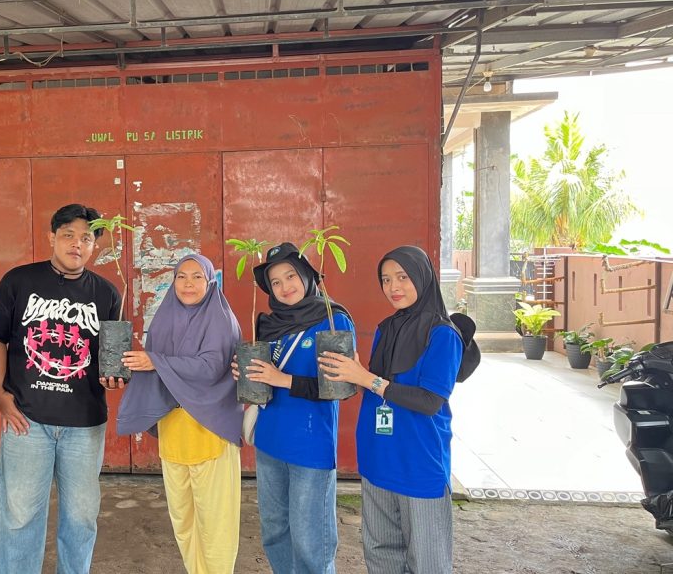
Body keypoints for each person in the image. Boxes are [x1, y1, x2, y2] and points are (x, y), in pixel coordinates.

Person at [0, 203, 122, 574]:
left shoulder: (107, 293)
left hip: (85, 424)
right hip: (27, 421)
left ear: (94, 246)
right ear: (52, 238)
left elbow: (110, 356)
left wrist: (115, 376)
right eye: (68, 235)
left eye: (86, 238)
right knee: (20, 515)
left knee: (81, 517)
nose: (77, 243)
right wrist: (0, 396)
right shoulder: (19, 281)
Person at [319, 245, 475, 573]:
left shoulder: (443, 334)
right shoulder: (385, 328)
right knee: (380, 554)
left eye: (403, 277)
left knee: (428, 561)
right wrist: (351, 375)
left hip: (419, 462)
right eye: (386, 279)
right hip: (377, 457)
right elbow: (379, 386)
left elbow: (429, 401)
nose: (393, 287)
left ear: (422, 276)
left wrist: (365, 377)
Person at [232, 242, 356, 574]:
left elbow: (338, 389)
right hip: (270, 442)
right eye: (276, 282)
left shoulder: (333, 321)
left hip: (310, 446)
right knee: (275, 531)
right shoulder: (269, 324)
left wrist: (282, 379)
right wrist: (246, 374)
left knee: (310, 540)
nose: (285, 286)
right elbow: (263, 379)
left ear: (307, 275)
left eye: (291, 276)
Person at [115, 254, 243, 574]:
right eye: (181, 276)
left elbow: (211, 367)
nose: (188, 284)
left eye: (197, 277)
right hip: (174, 429)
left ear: (210, 282)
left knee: (215, 522)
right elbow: (152, 367)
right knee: (184, 520)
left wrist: (155, 361)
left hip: (211, 427)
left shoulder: (220, 318)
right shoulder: (165, 316)